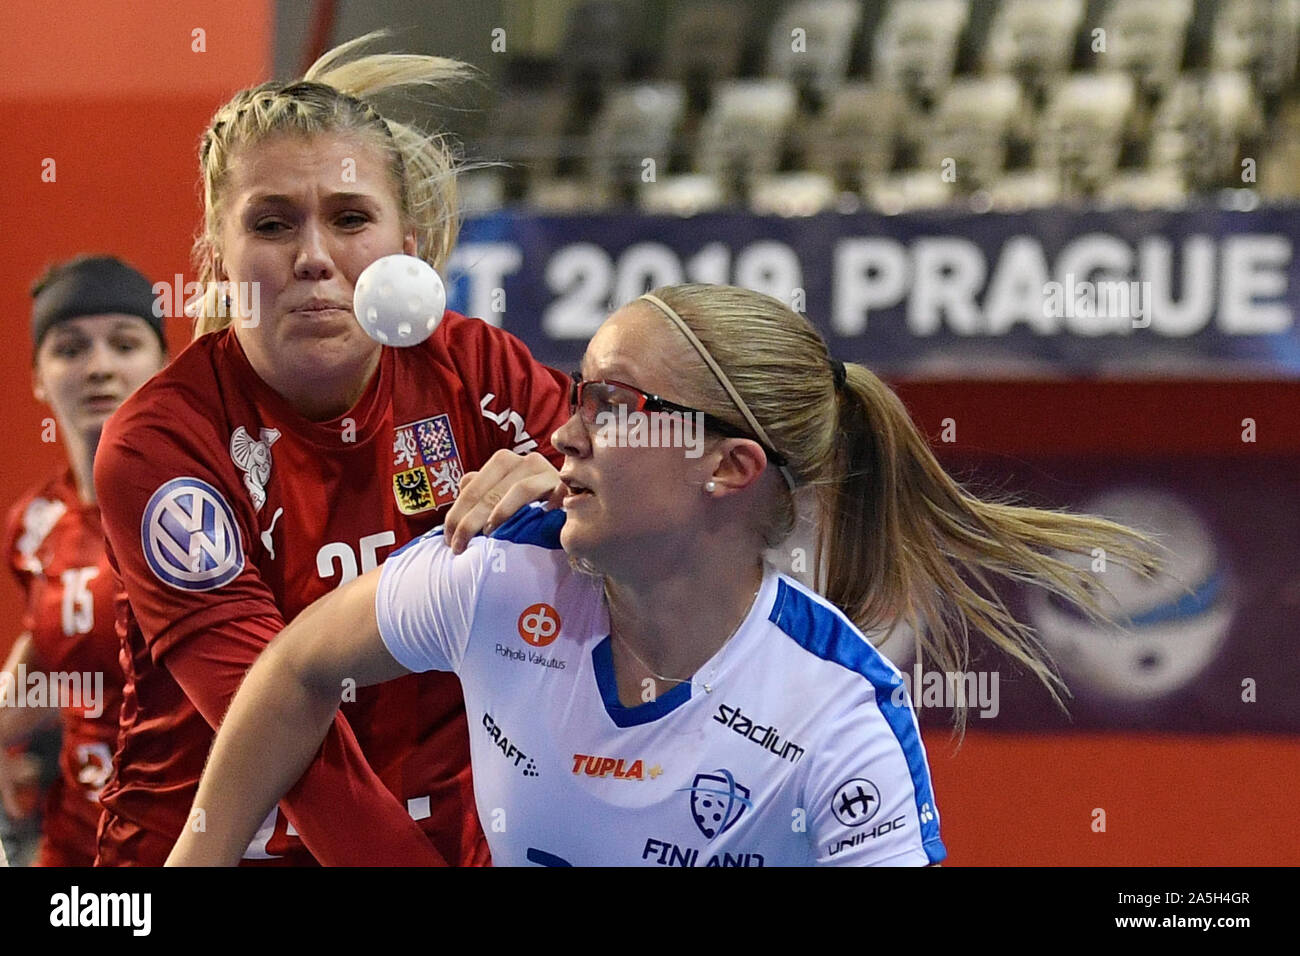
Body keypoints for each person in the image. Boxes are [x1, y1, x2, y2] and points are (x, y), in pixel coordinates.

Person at [166, 284, 1164, 867]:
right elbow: (297, 666)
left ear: (726, 468)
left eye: (612, 401)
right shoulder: (494, 575)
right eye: (578, 391)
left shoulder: (837, 720)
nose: (562, 430)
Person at [92, 35, 571, 866]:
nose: (314, 257)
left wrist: (581, 511)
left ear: (406, 250)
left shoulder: (484, 374)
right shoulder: (162, 443)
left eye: (350, 219)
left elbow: (661, 570)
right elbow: (292, 736)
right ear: (218, 255)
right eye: (272, 224)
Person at [1, 256, 168, 866]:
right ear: (39, 377)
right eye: (70, 349)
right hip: (74, 845)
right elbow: (54, 647)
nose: (99, 366)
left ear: (162, 366)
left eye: (124, 344)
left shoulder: (207, 505)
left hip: (190, 841)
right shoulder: (34, 524)